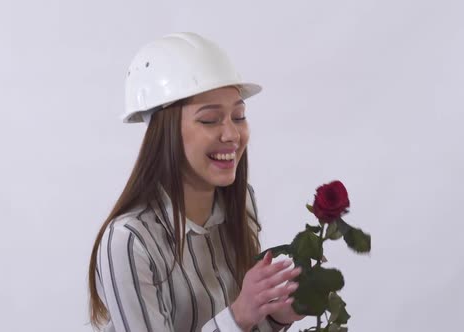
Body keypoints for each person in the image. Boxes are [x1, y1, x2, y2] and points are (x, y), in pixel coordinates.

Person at [88, 32, 305, 332]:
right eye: (209, 119)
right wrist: (239, 315)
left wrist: (273, 316)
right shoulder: (130, 240)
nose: (231, 134)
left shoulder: (241, 204)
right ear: (163, 134)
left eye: (238, 116)